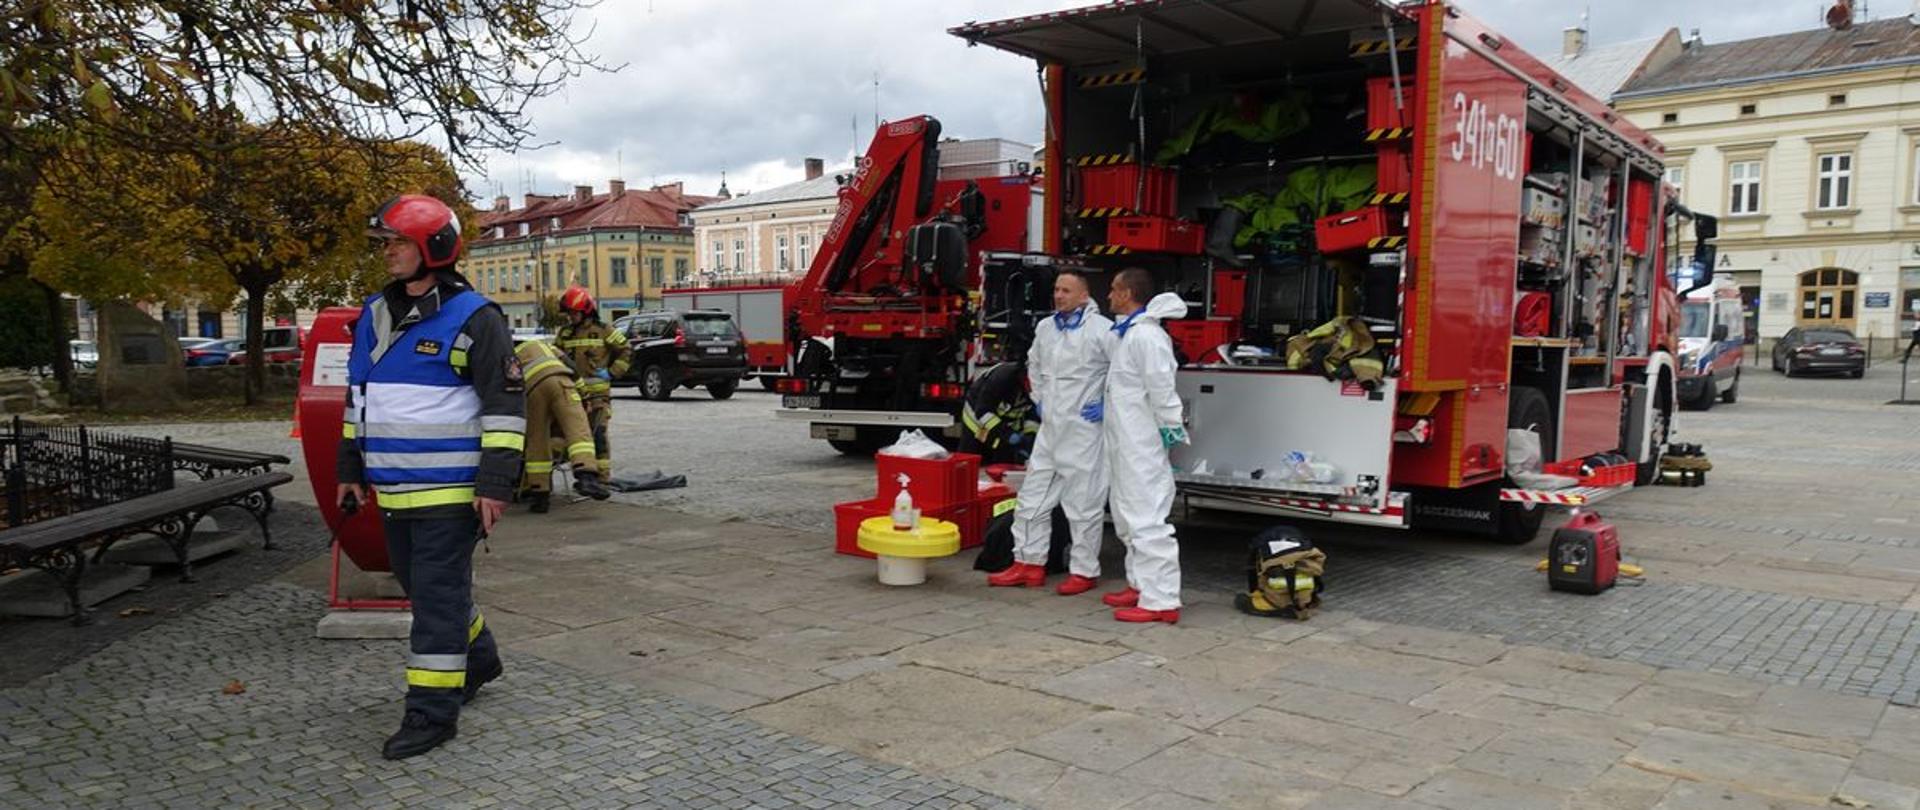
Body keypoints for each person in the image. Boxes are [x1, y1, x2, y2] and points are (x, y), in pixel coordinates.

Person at [337, 194, 525, 759]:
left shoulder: (475, 318)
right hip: (394, 491)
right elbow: (358, 400)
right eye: (387, 243)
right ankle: (481, 657)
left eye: (397, 243)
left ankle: (431, 713)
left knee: (435, 603)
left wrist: (494, 486)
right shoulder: (373, 315)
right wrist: (351, 469)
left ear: (433, 248)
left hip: (451, 493)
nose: (389, 253)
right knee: (422, 587)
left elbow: (505, 407)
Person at [987, 269, 1112, 594]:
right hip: (1051, 430)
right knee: (1031, 499)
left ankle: (1084, 571)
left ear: (1084, 295)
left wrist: (1107, 405)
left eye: (1066, 290)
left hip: (1084, 431)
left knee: (1083, 504)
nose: (1058, 295)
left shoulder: (1103, 331)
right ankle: (1028, 563)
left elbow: (1124, 373)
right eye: (1057, 289)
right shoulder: (1046, 328)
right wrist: (1040, 400)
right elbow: (1035, 367)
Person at [1099, 268, 1189, 624]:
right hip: (1126, 441)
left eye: (1113, 290)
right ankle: (1141, 585)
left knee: (1146, 518)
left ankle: (1161, 599)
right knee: (1126, 516)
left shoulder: (1146, 337)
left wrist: (1170, 426)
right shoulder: (1132, 335)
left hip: (1140, 443)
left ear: (1126, 293)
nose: (1108, 296)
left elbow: (1161, 388)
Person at [514, 338, 611, 512]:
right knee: (578, 429)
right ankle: (586, 476)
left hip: (532, 391)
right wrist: (583, 394)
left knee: (537, 440)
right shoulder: (544, 345)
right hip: (562, 382)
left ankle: (540, 496)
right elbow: (571, 366)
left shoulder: (507, 354)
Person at [554, 286, 631, 479]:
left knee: (598, 434)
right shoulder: (564, 334)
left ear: (585, 310)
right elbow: (555, 356)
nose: (570, 317)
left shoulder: (604, 331)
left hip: (598, 396)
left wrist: (612, 372)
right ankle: (583, 474)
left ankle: (603, 478)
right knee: (574, 436)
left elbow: (626, 350)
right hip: (572, 395)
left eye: (573, 313)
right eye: (568, 313)